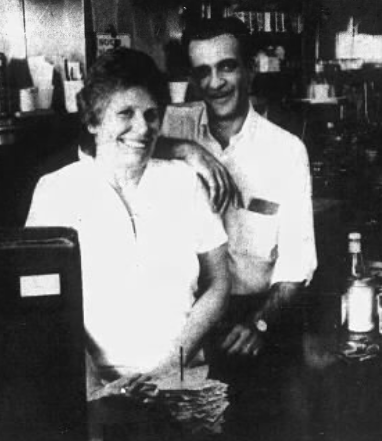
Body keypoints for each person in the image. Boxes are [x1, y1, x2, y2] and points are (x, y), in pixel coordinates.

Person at [25, 48, 230, 405]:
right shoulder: (55, 191)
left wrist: (166, 369)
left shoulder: (183, 182)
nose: (143, 127)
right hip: (91, 385)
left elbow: (219, 283)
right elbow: (41, 302)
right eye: (126, 113)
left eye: (152, 115)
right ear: (93, 120)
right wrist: (95, 388)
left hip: (182, 378)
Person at [155, 17, 317, 365]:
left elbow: (296, 264)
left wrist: (259, 322)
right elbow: (99, 142)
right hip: (186, 320)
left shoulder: (286, 151)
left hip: (259, 317)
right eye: (202, 72)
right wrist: (185, 149)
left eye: (226, 67)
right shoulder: (173, 126)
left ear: (249, 70)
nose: (214, 83)